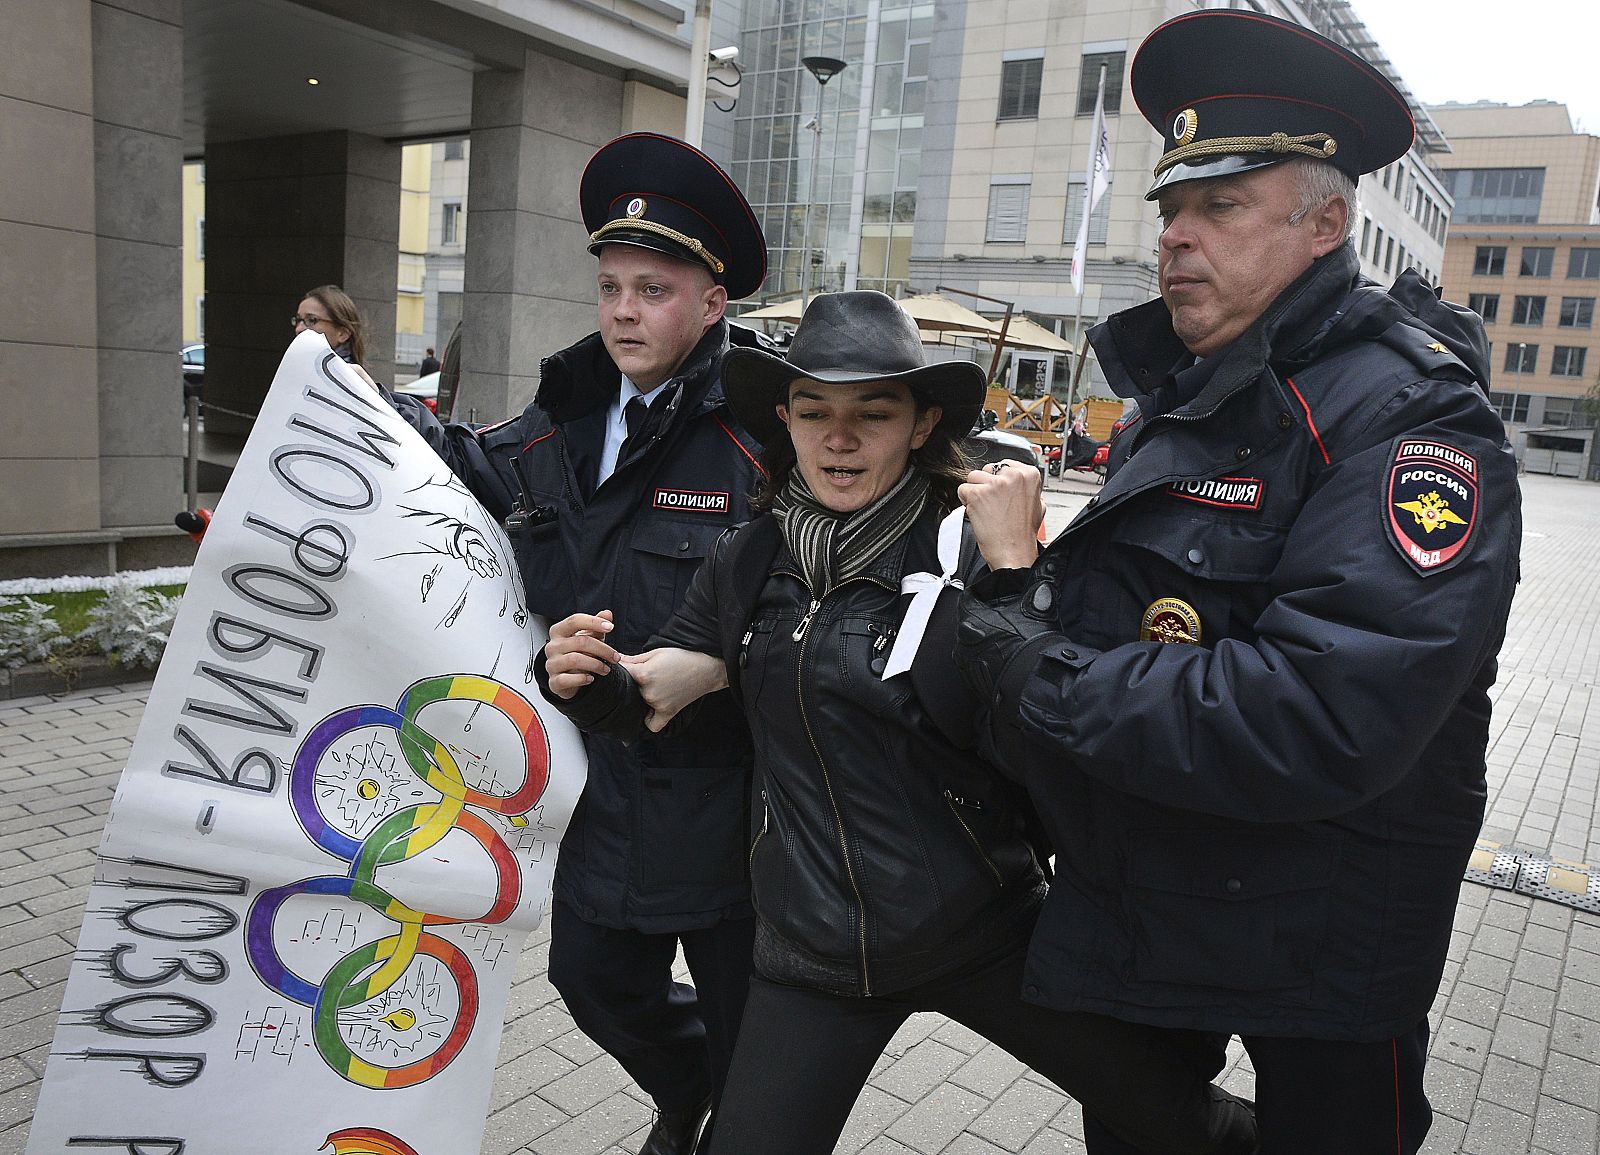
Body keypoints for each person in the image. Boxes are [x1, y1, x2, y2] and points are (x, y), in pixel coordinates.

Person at [954, 12, 1522, 1155]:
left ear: (1324, 223)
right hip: (1150, 906)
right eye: (1170, 208)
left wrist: (1030, 653)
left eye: (1219, 207)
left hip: (1324, 949)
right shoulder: (1184, 392)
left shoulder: (1413, 422)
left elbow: (1321, 712)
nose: (1175, 239)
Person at [539, 291, 1258, 1155]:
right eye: (815, 411)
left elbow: (1052, 734)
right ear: (786, 418)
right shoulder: (751, 557)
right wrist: (592, 680)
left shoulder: (965, 548)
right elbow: (663, 686)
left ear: (920, 425)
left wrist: (1014, 573)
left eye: (872, 413)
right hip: (812, 955)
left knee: (1188, 1123)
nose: (839, 438)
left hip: (983, 928)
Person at [382, 132, 770, 1155]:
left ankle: (719, 1111)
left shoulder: (763, 433)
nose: (625, 312)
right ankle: (685, 1090)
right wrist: (341, 408)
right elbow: (463, 472)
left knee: (757, 1051)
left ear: (712, 302)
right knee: (594, 984)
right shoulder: (561, 419)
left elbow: (808, 598)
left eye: (652, 289)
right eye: (610, 288)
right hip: (603, 793)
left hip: (734, 803)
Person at [294, 285, 368, 369]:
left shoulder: (349, 377)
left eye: (311, 320)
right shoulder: (298, 369)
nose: (299, 329)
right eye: (298, 320)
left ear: (343, 334)